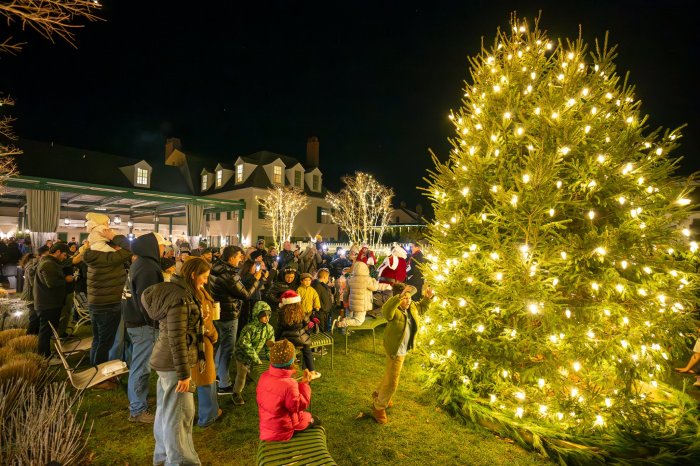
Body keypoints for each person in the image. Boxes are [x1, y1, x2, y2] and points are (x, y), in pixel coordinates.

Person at [142, 257, 210, 466]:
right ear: (192, 274)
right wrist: (184, 374)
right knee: (179, 414)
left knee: (168, 410)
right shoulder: (180, 298)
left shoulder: (179, 292)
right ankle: (179, 461)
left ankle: (163, 456)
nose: (206, 282)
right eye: (204, 277)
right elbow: (177, 338)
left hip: (169, 362)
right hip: (174, 365)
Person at [371, 283, 433, 424]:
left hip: (403, 348)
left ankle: (379, 393)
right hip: (395, 349)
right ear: (398, 298)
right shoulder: (394, 310)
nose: (408, 301)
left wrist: (427, 299)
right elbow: (387, 311)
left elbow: (421, 309)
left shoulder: (411, 307)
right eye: (405, 298)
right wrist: (398, 298)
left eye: (409, 298)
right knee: (393, 381)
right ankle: (379, 406)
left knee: (390, 372)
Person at [123, 232, 169, 422]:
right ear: (154, 246)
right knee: (141, 366)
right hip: (143, 324)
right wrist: (155, 321)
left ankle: (137, 401)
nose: (164, 249)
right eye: (162, 245)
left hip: (135, 321)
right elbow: (147, 300)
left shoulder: (140, 263)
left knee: (139, 364)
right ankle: (137, 409)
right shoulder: (148, 268)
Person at [208, 245, 264, 396]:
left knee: (220, 345)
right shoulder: (229, 274)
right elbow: (245, 294)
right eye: (240, 256)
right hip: (228, 314)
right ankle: (224, 384)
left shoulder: (217, 267)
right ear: (232, 257)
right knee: (228, 349)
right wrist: (256, 279)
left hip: (219, 312)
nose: (241, 259)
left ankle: (218, 375)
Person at [82, 226, 132, 366]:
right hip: (108, 304)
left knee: (98, 339)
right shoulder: (109, 258)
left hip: (95, 303)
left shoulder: (91, 256)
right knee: (105, 342)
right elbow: (130, 249)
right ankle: (100, 378)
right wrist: (114, 236)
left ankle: (94, 368)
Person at [256, 339, 319, 441]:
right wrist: (305, 384)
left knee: (306, 417)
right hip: (284, 430)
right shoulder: (289, 384)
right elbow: (299, 406)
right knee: (315, 420)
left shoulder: (264, 376)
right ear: (292, 361)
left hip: (267, 428)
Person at [231, 301, 275, 405]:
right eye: (264, 316)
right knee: (241, 375)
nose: (267, 319)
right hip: (242, 355)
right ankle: (236, 393)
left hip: (255, 353)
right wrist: (256, 358)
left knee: (255, 372)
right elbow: (245, 344)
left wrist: (270, 356)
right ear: (257, 315)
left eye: (269, 315)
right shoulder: (249, 329)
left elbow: (269, 344)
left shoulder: (269, 328)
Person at [33, 243, 72, 358]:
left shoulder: (50, 262)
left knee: (48, 331)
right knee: (45, 333)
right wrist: (66, 279)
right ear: (58, 252)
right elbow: (51, 283)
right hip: (47, 304)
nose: (65, 257)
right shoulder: (48, 264)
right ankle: (44, 357)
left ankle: (46, 355)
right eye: (64, 255)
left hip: (50, 303)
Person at [275, 290, 320, 378]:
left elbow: (279, 328)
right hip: (300, 340)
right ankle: (312, 371)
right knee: (307, 351)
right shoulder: (301, 312)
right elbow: (307, 324)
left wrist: (276, 340)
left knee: (288, 354)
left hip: (286, 340)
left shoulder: (281, 313)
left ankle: (287, 372)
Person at [334, 261, 379, 329]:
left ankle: (344, 320)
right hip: (362, 304)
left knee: (352, 317)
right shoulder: (367, 279)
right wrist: (374, 280)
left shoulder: (350, 279)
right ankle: (342, 323)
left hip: (353, 303)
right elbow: (375, 288)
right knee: (359, 321)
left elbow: (346, 292)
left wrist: (345, 301)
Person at [22, 246, 49, 335]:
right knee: (34, 319)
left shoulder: (34, 265)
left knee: (36, 318)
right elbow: (33, 283)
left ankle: (34, 339)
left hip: (34, 295)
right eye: (46, 255)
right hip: (31, 296)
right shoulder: (31, 266)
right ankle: (28, 339)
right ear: (40, 256)